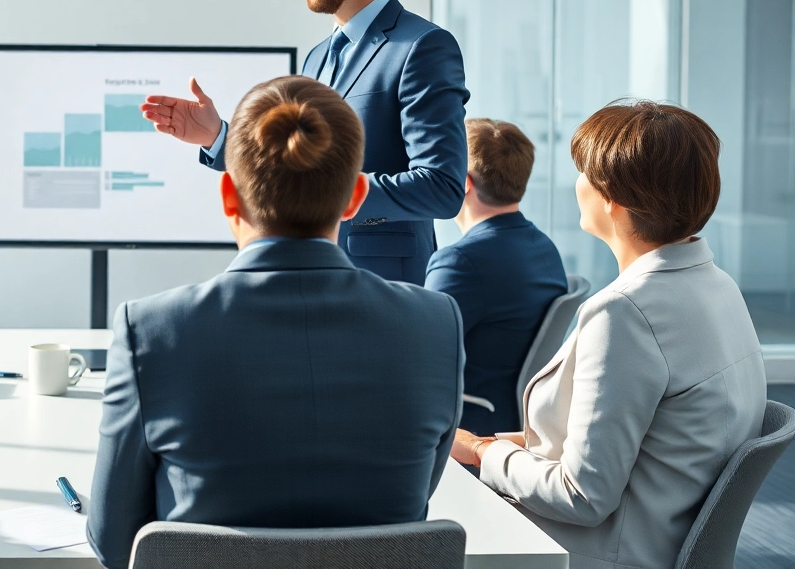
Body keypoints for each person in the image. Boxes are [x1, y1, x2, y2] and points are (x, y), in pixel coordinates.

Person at [88, 76, 464, 569]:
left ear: (228, 195)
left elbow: (115, 543)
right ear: (356, 197)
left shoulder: (150, 331)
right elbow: (412, 509)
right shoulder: (437, 326)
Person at [451, 101, 766, 569]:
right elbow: (640, 442)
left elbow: (582, 496)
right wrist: (493, 443)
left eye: (584, 172)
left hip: (595, 553)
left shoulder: (626, 312)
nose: (578, 182)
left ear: (611, 196)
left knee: (410, 534)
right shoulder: (717, 286)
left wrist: (481, 451)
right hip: (655, 537)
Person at [141, 0, 469, 284]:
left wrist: (329, 192)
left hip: (380, 288)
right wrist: (217, 137)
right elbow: (290, 170)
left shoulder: (422, 47)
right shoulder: (316, 58)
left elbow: (441, 187)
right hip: (302, 279)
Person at [426, 119, 567, 437]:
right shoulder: (544, 247)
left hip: (468, 433)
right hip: (517, 423)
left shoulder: (461, 262)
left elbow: (417, 354)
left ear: (463, 182)